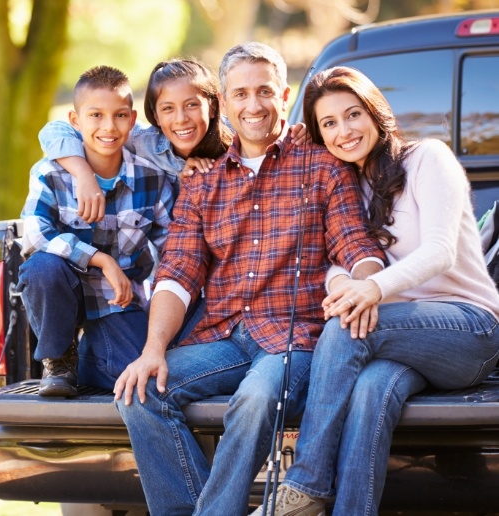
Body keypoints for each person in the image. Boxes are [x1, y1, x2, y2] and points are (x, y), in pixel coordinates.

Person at [112, 43, 386, 516]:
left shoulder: (322, 167)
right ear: (225, 101)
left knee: (255, 398)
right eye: (240, 93)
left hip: (294, 339)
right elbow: (177, 271)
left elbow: (355, 244)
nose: (253, 104)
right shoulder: (203, 182)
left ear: (284, 95)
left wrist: (368, 285)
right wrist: (153, 350)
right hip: (224, 336)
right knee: (138, 394)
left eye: (264, 91)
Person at [253, 66, 499, 516]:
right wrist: (345, 283)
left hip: (467, 329)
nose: (344, 131)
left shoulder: (427, 157)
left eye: (352, 115)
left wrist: (369, 289)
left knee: (344, 329)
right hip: (397, 339)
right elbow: (335, 262)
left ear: (374, 111)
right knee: (370, 390)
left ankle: (305, 484)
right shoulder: (347, 185)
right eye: (328, 123)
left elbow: (440, 252)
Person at [17, 66, 174, 396]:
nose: (108, 126)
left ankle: (89, 359)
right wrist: (102, 260)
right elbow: (34, 232)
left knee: (137, 374)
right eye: (96, 115)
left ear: (132, 120)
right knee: (42, 266)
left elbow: (172, 244)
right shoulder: (51, 173)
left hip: (117, 299)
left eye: (119, 115)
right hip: (64, 289)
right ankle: (59, 360)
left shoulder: (151, 177)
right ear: (75, 121)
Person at [38, 58, 306, 224]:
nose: (181, 119)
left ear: (214, 107)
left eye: (191, 105)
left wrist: (296, 134)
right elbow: (54, 131)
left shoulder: (236, 134)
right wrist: (83, 174)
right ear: (154, 114)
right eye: (167, 109)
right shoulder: (141, 142)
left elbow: (269, 130)